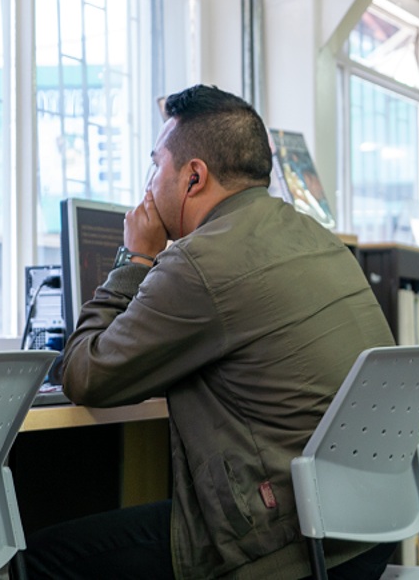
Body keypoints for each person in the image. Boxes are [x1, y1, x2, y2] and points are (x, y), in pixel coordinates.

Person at [24, 85, 398, 580]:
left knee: (43, 558)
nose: (149, 184)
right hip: (363, 534)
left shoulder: (201, 260)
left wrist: (134, 258)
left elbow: (84, 374)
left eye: (155, 165)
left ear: (193, 176)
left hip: (279, 552)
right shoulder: (318, 239)